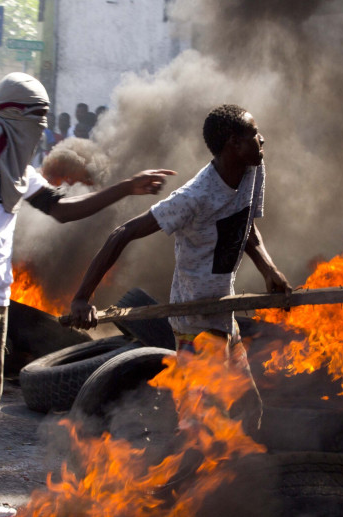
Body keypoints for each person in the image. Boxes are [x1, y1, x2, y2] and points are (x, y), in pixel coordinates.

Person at [0, 72, 173, 517]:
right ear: (12, 112)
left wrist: (125, 188)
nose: (41, 127)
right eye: (37, 116)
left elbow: (62, 210)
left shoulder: (11, 162)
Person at [67, 104, 291, 425]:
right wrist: (81, 298)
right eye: (254, 134)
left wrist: (270, 271)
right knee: (200, 428)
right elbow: (122, 233)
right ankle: (177, 473)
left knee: (248, 409)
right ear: (233, 143)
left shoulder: (252, 168)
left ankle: (226, 472)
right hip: (195, 322)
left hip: (223, 312)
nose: (263, 140)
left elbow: (246, 228)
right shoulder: (194, 197)